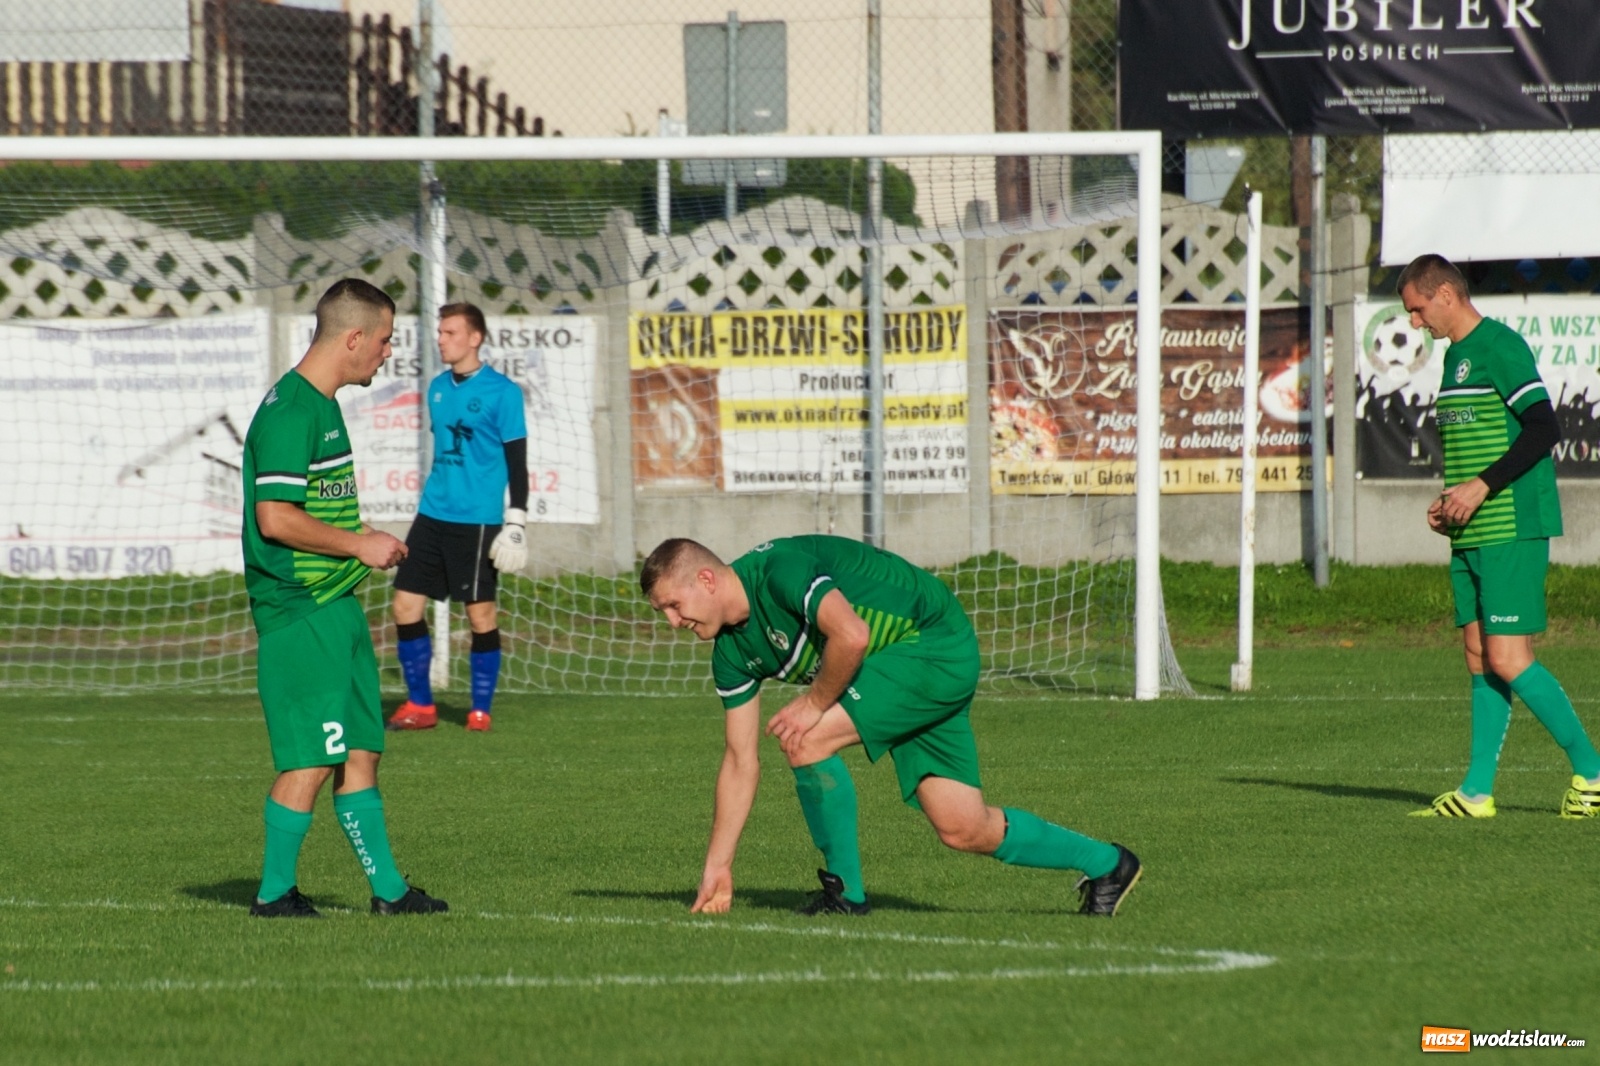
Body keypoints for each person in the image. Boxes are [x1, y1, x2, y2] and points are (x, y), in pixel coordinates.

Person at [640, 535, 1142, 917]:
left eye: (672, 605)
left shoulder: (778, 571)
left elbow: (852, 635)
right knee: (963, 827)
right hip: (895, 671)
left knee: (806, 736)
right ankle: (1108, 865)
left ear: (705, 580)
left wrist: (814, 704)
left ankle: (845, 895)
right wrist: (718, 864)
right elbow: (738, 759)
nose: (671, 622)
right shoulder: (731, 652)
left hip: (931, 642)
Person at [241, 278, 448, 917]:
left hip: (337, 609)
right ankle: (274, 895)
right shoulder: (292, 411)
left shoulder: (322, 406)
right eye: (383, 341)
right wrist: (358, 547)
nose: (387, 353)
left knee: (360, 750)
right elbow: (274, 518)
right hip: (301, 614)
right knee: (311, 758)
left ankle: (388, 891)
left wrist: (359, 534)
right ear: (353, 337)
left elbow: (311, 510)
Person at [1399, 254, 1600, 819]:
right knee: (1477, 655)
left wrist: (1481, 487)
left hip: (1512, 524)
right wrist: (1450, 503)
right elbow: (1479, 446)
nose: (1415, 323)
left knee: (1509, 658)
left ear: (1444, 294)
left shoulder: (1500, 347)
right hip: (1472, 530)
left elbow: (1544, 427)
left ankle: (1593, 771)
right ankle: (1476, 792)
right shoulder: (1456, 358)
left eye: (1417, 310)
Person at [386, 302, 529, 733]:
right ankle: (421, 705)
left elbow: (517, 462)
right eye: (441, 332)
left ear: (475, 338)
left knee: (480, 616)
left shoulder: (503, 393)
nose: (441, 339)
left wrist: (517, 521)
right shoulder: (437, 389)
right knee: (405, 605)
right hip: (432, 514)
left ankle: (479, 710)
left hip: (477, 520)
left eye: (450, 332)